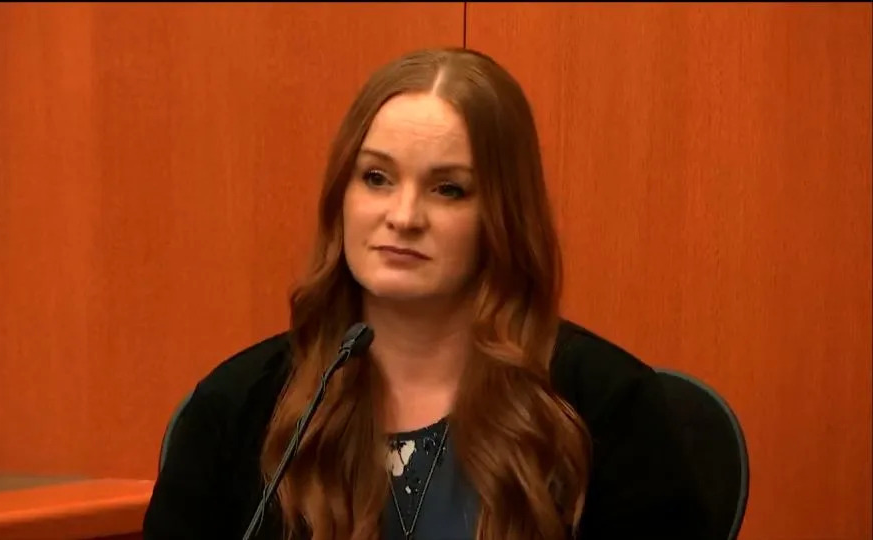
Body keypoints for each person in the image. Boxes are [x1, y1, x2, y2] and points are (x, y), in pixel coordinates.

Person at [143, 47, 711, 540]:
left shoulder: (603, 407)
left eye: (448, 189)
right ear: (341, 195)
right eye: (376, 178)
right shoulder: (239, 406)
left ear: (503, 216)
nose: (404, 216)